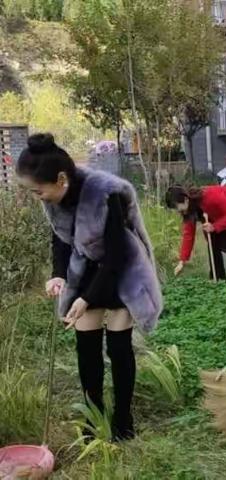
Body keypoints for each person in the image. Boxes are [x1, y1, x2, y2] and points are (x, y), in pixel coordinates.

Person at [16, 133, 163, 441]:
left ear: (60, 179)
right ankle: (92, 419)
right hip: (84, 270)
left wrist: (86, 298)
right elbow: (60, 238)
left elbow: (115, 255)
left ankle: (123, 420)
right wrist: (58, 274)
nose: (36, 197)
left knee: (120, 348)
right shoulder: (54, 200)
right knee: (87, 349)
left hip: (121, 270)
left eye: (37, 191)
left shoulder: (107, 194)